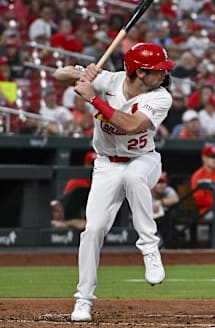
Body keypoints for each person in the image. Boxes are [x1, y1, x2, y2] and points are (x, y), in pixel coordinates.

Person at [53, 42, 176, 322]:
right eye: (157, 71)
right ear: (139, 72)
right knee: (93, 230)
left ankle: (149, 246)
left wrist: (93, 99)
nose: (164, 76)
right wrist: (82, 72)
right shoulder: (107, 80)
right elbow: (59, 75)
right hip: (106, 164)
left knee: (134, 177)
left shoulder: (160, 98)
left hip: (143, 160)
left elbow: (131, 125)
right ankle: (83, 300)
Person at [50, 151, 96, 230]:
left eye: (96, 165)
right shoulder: (76, 182)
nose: (94, 168)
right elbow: (65, 206)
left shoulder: (104, 184)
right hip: (76, 220)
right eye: (92, 164)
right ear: (86, 165)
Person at [151, 171, 179, 244]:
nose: (162, 185)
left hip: (162, 224)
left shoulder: (167, 190)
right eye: (159, 182)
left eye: (164, 182)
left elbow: (175, 199)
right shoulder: (145, 191)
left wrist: (161, 202)